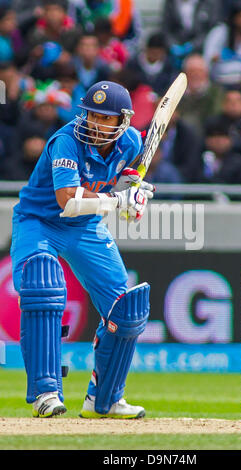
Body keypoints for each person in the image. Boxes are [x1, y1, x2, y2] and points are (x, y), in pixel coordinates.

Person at [10, 80, 154, 418]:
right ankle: (46, 392)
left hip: (85, 227)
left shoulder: (132, 142)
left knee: (126, 310)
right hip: (39, 220)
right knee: (42, 284)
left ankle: (104, 400)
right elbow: (68, 200)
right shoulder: (66, 140)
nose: (97, 124)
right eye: (92, 115)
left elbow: (127, 180)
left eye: (106, 119)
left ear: (123, 120)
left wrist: (135, 196)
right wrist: (119, 200)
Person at [178, 53, 224, 138]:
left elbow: (216, 114)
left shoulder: (216, 92)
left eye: (199, 71)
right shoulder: (177, 93)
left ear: (206, 73)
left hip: (208, 136)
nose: (196, 75)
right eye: (192, 71)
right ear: (185, 73)